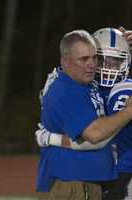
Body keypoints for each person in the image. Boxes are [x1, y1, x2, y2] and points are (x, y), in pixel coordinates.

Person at [36, 28, 132, 200]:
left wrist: (51, 139)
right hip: (74, 181)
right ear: (65, 61)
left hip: (107, 177)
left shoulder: (93, 85)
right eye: (103, 59)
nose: (94, 64)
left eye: (96, 58)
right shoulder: (71, 88)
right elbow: (96, 136)